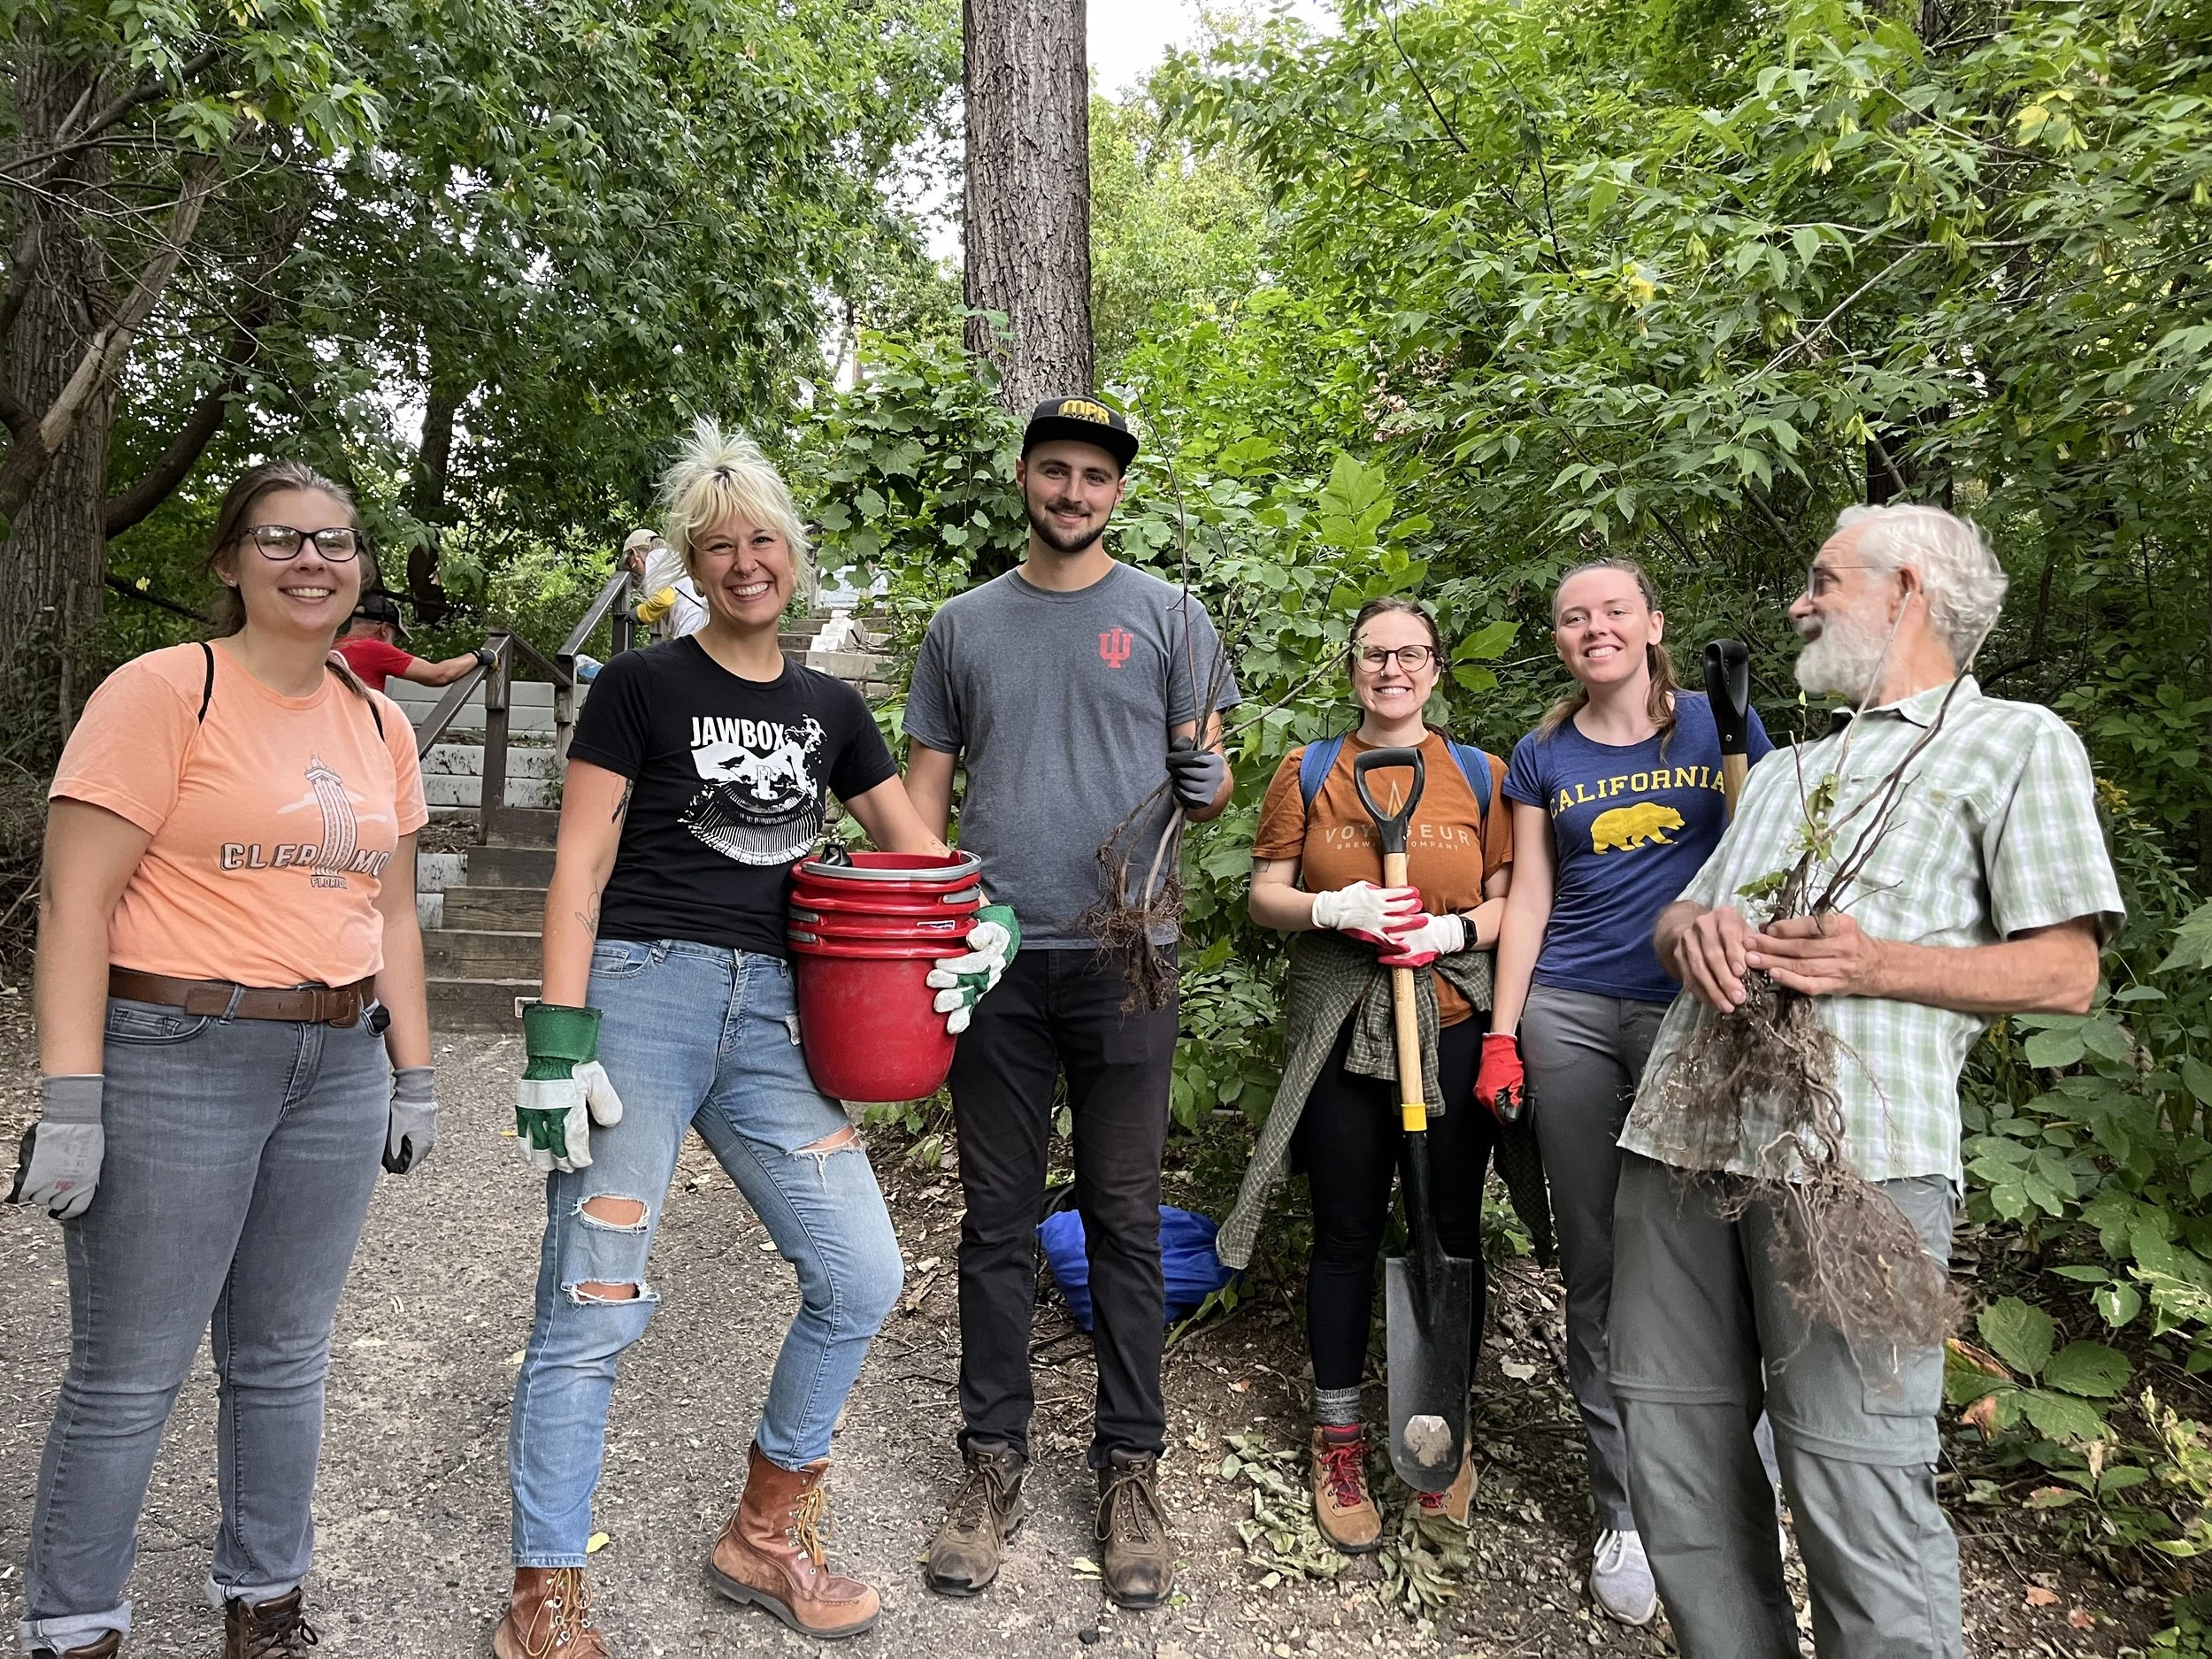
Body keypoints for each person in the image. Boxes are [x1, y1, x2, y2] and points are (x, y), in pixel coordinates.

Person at [1611, 504, 2121, 1658]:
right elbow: (1691, 912)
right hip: (1681, 1136)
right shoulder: (1791, 766)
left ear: (1909, 587)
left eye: (1822, 578)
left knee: (1857, 1482)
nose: (1800, 600)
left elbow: (2068, 970)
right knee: (1679, 1464)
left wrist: (1876, 960)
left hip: (1856, 1166)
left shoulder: (2017, 742)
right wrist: (1687, 928)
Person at [494, 420, 960, 1655]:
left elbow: (920, 852)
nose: (745, 561)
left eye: (762, 538)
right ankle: (543, 1589)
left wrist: (988, 928)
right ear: (689, 568)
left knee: (863, 1271)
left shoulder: (830, 705)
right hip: (642, 993)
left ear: (792, 554)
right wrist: (557, 1040)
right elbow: (578, 868)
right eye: (719, 545)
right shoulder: (640, 687)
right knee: (591, 1300)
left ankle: (763, 1530)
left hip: (778, 1011)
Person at [12, 461, 435, 1659]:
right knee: (130, 1365)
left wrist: (415, 1070)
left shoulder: (375, 717)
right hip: (176, 1053)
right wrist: (75, 1098)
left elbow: (393, 911)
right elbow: (74, 901)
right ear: (229, 560)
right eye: (281, 538)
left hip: (338, 1060)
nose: (313, 561)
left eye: (336, 542)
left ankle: (265, 1604)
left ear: (361, 564)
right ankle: (75, 1623)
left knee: (284, 1355)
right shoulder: (165, 691)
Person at [903, 396, 1239, 1610]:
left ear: (1117, 491)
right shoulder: (962, 627)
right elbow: (920, 802)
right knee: (993, 1219)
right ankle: (989, 1462)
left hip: (1127, 954)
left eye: (1095, 475)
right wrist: (908, 933)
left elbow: (1208, 790)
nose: (1074, 491)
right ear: (1024, 476)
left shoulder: (1170, 618)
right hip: (993, 957)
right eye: (1056, 469)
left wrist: (1206, 779)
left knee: (1126, 1215)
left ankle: (1129, 1467)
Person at [1477, 557, 1774, 1624]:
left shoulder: (1718, 728)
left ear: (1652, 624)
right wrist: (1503, 1035)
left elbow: (1767, 856)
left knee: (1710, 1247)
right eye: (1572, 617)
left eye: (1613, 611)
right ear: (1558, 640)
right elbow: (1530, 901)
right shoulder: (1540, 755)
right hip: (1568, 1012)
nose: (1593, 628)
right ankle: (1628, 1506)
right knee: (1598, 1256)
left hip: (1695, 1014)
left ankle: (1730, 1469)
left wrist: (1746, 733)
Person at [1220, 596, 1513, 1548]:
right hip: (1344, 1031)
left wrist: (1452, 929)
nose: (1392, 669)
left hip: (1453, 1026)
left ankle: (1440, 1426)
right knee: (1345, 1231)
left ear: (1435, 667)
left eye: (1411, 654)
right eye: (1373, 654)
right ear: (1351, 667)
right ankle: (1339, 1432)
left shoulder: (1480, 775)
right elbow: (1265, 894)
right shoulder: (1308, 770)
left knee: (1448, 1228)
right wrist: (1329, 910)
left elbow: (1516, 900)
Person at [332, 589, 495, 691]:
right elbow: (439, 675)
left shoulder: (332, 646)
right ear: (384, 629)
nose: (394, 643)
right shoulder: (374, 649)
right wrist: (479, 656)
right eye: (395, 635)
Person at [625, 526, 709, 640]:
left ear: (635, 555)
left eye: (630, 564)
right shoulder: (671, 557)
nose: (634, 570)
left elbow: (664, 599)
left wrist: (640, 613)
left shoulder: (655, 558)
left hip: (692, 626)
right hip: (705, 627)